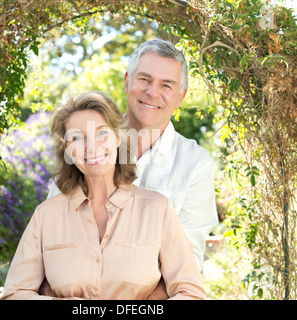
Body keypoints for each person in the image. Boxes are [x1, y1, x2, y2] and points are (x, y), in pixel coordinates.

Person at [0, 91, 206, 300]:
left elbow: (190, 294)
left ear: (117, 137)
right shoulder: (46, 216)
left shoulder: (158, 210)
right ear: (68, 150)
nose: (92, 146)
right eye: (77, 138)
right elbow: (15, 294)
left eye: (101, 133)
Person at [48, 39, 218, 272]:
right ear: (128, 82)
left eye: (166, 85)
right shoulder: (84, 145)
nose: (152, 92)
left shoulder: (195, 164)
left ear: (180, 97)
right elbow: (51, 235)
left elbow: (187, 263)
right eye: (145, 79)